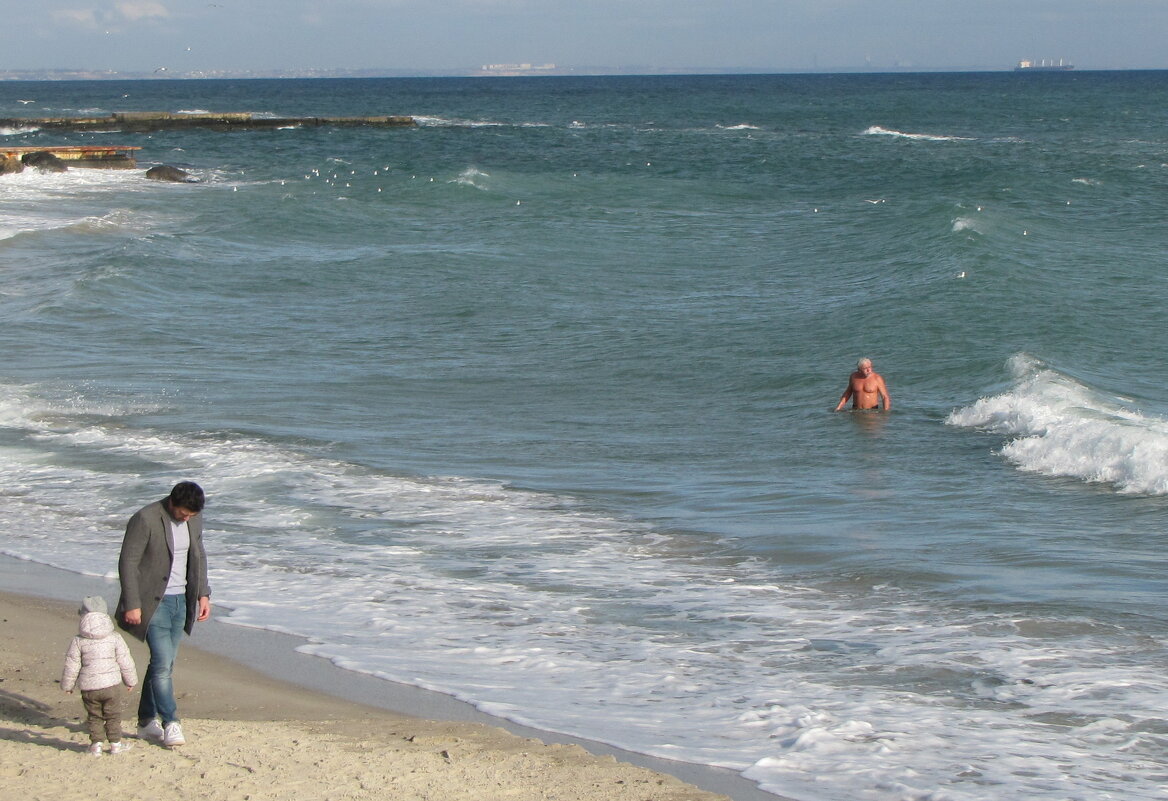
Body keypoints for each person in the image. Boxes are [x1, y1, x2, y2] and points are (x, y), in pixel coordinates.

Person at [116, 481, 211, 748]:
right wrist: (132, 603)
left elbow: (199, 556)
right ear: (172, 502)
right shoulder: (145, 519)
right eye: (183, 513)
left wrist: (204, 593)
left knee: (164, 664)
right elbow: (128, 561)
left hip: (182, 600)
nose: (187, 518)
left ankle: (146, 721)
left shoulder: (194, 519)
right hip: (152, 603)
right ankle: (171, 722)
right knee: (161, 665)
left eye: (191, 515)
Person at [61, 595, 138, 756]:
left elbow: (72, 664)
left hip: (89, 687)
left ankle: (96, 745)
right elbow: (125, 660)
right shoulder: (115, 637)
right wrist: (130, 681)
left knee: (94, 716)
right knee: (113, 716)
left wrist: (68, 685)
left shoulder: (78, 640)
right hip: (111, 686)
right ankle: (115, 744)